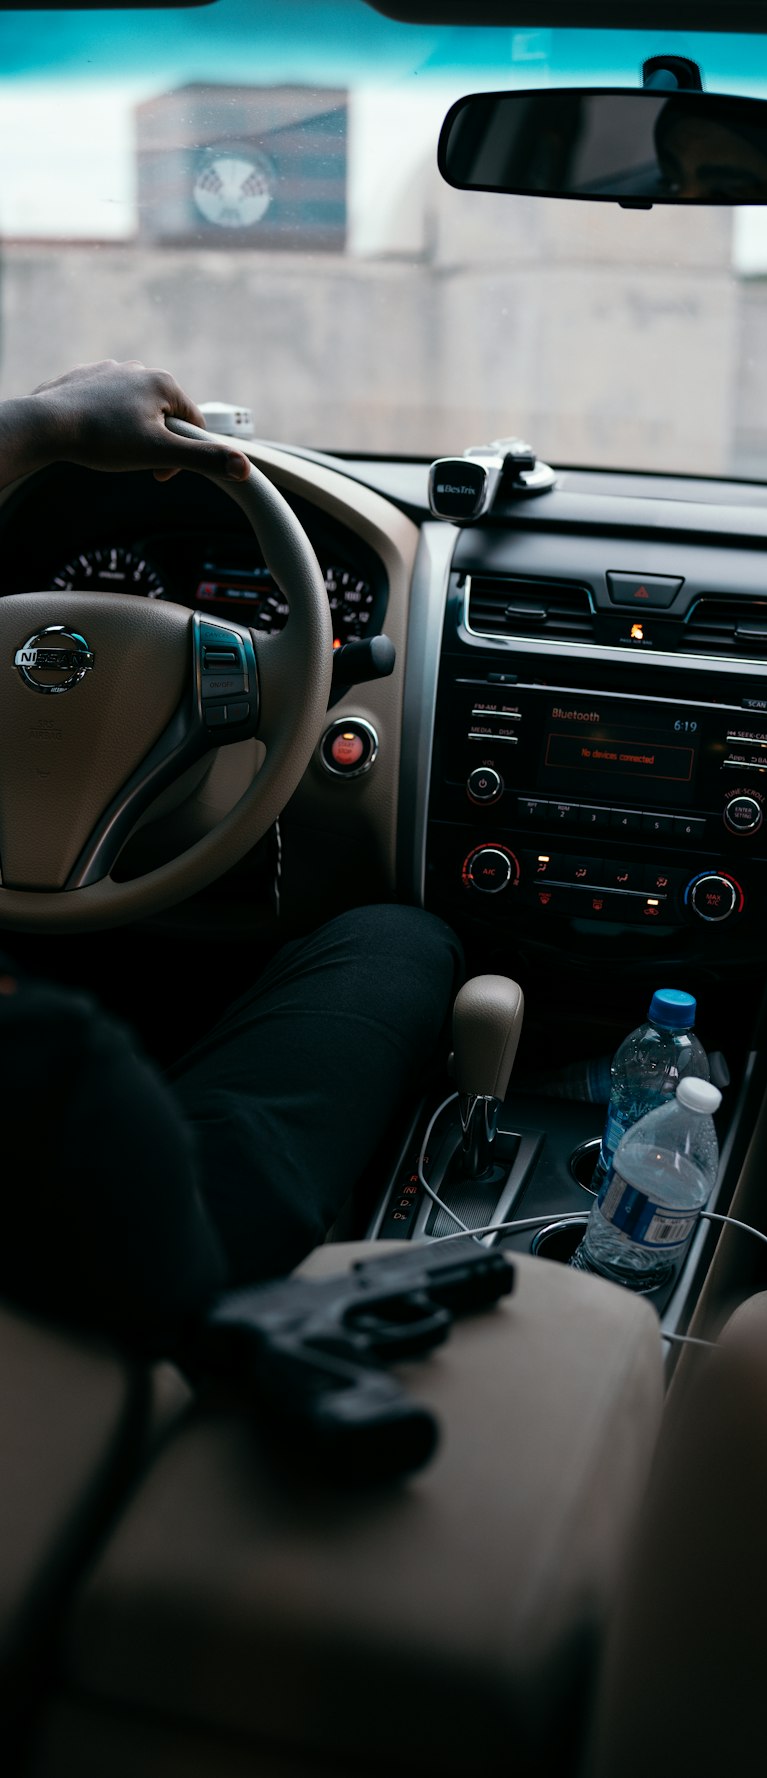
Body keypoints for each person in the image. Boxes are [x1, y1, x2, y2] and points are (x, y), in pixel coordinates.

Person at [0, 360, 462, 1350]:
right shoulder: (63, 1073)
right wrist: (43, 424)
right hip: (126, 1263)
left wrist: (42, 428)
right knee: (398, 936)